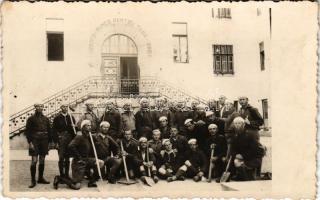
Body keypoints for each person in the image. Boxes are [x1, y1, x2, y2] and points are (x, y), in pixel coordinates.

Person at [56, 120, 104, 189]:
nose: (90, 127)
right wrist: (79, 157)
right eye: (88, 126)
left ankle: (92, 181)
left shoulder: (89, 136)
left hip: (87, 159)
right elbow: (71, 146)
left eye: (90, 125)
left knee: (101, 162)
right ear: (83, 127)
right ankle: (60, 178)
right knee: (76, 186)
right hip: (78, 162)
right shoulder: (79, 136)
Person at [25, 103, 54, 188]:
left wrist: (49, 142)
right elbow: (28, 132)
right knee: (34, 160)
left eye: (41, 106)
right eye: (38, 106)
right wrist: (30, 143)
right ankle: (33, 180)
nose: (40, 108)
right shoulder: (31, 119)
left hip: (44, 140)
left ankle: (40, 178)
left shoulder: (46, 119)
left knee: (42, 160)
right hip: (34, 140)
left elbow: (49, 130)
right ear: (35, 107)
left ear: (43, 108)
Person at [229, 117, 265, 181]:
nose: (237, 125)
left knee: (239, 164)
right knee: (235, 161)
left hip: (253, 158)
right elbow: (232, 149)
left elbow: (255, 150)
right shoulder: (235, 136)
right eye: (236, 123)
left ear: (243, 124)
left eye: (239, 123)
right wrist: (236, 155)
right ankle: (240, 176)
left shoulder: (250, 134)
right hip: (242, 157)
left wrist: (243, 156)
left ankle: (248, 178)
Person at [52, 103, 76, 181]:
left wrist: (74, 127)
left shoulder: (71, 117)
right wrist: (56, 141)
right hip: (61, 139)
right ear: (61, 108)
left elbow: (74, 130)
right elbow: (54, 130)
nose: (65, 108)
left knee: (67, 158)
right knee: (61, 158)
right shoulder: (57, 118)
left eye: (66, 107)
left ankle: (66, 175)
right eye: (63, 107)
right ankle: (61, 175)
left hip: (69, 139)